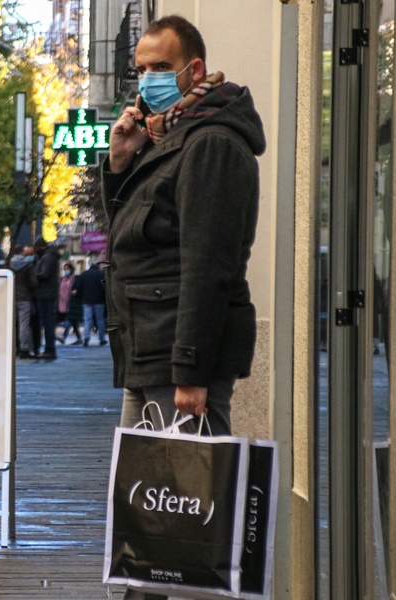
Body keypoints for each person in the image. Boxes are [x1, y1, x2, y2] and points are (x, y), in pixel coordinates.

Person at [105, 14, 262, 469]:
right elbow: (130, 235)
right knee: (148, 506)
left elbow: (208, 266)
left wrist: (192, 374)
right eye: (141, 70)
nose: (148, 80)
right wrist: (120, 162)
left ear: (194, 70)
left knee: (189, 507)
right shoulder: (171, 134)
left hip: (177, 356)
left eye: (159, 67)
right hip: (151, 349)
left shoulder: (210, 141)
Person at [33, 238, 61, 360]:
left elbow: (44, 274)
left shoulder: (47, 257)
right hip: (47, 293)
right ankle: (49, 348)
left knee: (47, 323)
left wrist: (34, 274)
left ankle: (49, 349)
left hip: (45, 293)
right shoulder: (49, 256)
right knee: (48, 322)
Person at [8, 245, 37, 359]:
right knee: (24, 324)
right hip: (24, 298)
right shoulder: (28, 266)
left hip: (11, 297)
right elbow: (33, 283)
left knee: (12, 324)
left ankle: (13, 348)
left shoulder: (10, 265)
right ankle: (24, 349)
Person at [78, 258, 107, 346]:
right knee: (100, 320)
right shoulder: (101, 274)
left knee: (87, 320)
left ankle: (86, 338)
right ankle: (102, 339)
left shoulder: (84, 274)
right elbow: (104, 287)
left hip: (87, 300)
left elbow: (80, 287)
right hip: (99, 300)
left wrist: (80, 296)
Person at [58, 262, 84, 345]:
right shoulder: (62, 279)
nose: (66, 271)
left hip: (73, 303)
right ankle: (79, 338)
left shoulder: (76, 279)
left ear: (72, 270)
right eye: (65, 269)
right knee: (73, 322)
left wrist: (76, 291)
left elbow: (79, 288)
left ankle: (63, 337)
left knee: (69, 319)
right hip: (63, 302)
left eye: (68, 269)